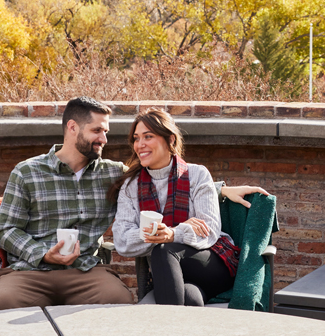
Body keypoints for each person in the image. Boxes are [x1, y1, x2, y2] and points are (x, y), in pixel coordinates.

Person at [0, 97, 264, 311]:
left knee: (119, 301)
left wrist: (221, 190)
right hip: (30, 272)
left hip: (85, 270)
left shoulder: (113, 173)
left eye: (106, 132)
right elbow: (6, 231)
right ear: (72, 128)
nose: (104, 139)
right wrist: (44, 254)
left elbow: (174, 178)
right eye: (97, 131)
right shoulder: (28, 172)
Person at [111, 109, 262, 306]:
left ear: (171, 140)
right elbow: (122, 241)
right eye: (136, 138)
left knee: (163, 250)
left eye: (148, 136)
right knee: (191, 299)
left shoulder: (197, 175)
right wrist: (157, 233)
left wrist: (172, 234)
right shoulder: (131, 187)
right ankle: (180, 331)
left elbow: (209, 229)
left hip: (209, 262)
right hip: (170, 274)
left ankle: (169, 331)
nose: (140, 145)